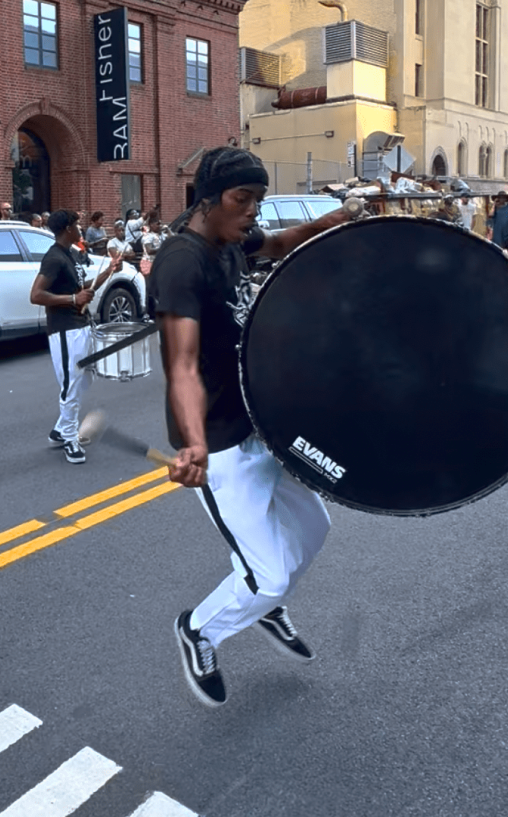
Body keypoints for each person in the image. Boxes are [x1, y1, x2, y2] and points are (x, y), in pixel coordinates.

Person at [146, 146, 348, 707]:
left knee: (313, 530)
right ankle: (200, 629)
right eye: (243, 198)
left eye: (258, 198)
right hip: (219, 442)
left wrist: (334, 221)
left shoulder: (230, 242)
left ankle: (262, 605)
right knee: (269, 575)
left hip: (262, 425)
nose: (253, 209)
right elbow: (182, 366)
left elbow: (280, 243)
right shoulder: (182, 263)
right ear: (208, 199)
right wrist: (193, 443)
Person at [29, 209, 120, 464]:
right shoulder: (54, 258)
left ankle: (61, 428)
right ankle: (70, 438)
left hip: (80, 325)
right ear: (68, 228)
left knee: (84, 378)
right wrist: (72, 299)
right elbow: (35, 295)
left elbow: (81, 290)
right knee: (71, 383)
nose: (80, 228)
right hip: (64, 330)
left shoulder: (71, 254)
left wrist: (109, 271)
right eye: (77, 225)